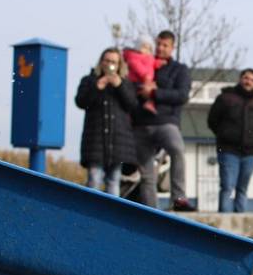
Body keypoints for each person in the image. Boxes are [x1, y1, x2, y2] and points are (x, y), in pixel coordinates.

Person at [131, 30, 195, 211]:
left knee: (177, 151)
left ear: (172, 47)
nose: (160, 48)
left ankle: (179, 198)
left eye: (165, 45)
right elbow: (131, 86)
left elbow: (182, 95)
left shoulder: (180, 69)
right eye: (158, 44)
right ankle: (151, 210)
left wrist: (154, 92)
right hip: (141, 123)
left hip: (166, 122)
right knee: (146, 171)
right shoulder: (142, 63)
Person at [74, 48, 138, 196]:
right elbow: (80, 102)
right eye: (107, 61)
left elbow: (132, 105)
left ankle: (112, 216)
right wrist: (97, 87)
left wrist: (119, 86)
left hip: (118, 144)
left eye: (114, 62)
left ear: (119, 65)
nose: (110, 65)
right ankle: (91, 215)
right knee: (94, 180)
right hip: (95, 141)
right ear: (101, 62)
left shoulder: (126, 83)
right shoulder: (89, 80)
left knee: (114, 181)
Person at [207, 68, 253, 213]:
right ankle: (223, 227)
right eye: (246, 78)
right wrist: (225, 135)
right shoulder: (225, 98)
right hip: (228, 150)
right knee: (227, 186)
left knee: (242, 188)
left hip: (251, 152)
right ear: (240, 79)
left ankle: (241, 224)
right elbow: (212, 121)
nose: (249, 82)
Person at [122, 35, 163, 115]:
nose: (146, 50)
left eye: (149, 48)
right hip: (137, 80)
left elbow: (153, 63)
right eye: (144, 47)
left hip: (147, 80)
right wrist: (144, 74)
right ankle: (147, 103)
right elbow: (136, 65)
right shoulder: (133, 56)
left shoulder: (150, 57)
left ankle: (150, 103)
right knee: (147, 89)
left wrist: (158, 63)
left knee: (153, 89)